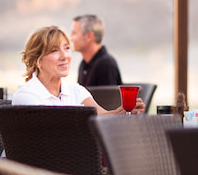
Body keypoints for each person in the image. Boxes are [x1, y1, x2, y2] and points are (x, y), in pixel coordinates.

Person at [13, 25, 143, 114]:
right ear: (37, 60)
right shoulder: (26, 96)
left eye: (67, 48)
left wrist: (124, 111)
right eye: (54, 51)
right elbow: (52, 126)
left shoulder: (76, 90)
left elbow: (102, 117)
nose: (65, 56)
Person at [70, 14, 122, 87]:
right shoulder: (84, 64)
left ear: (89, 36)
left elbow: (110, 98)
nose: (71, 38)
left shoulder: (106, 64)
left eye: (74, 33)